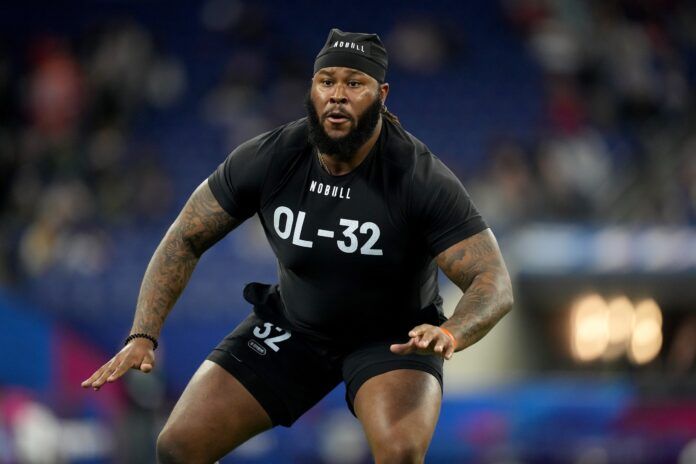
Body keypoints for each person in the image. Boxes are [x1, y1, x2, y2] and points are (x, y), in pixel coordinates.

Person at [82, 29, 514, 464]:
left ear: (381, 94)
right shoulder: (272, 157)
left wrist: (449, 333)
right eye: (326, 81)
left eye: (354, 83)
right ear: (311, 88)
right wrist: (143, 334)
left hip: (393, 340)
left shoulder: (420, 178)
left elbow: (492, 279)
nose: (337, 95)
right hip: (294, 328)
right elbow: (185, 237)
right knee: (177, 447)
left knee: (400, 452)